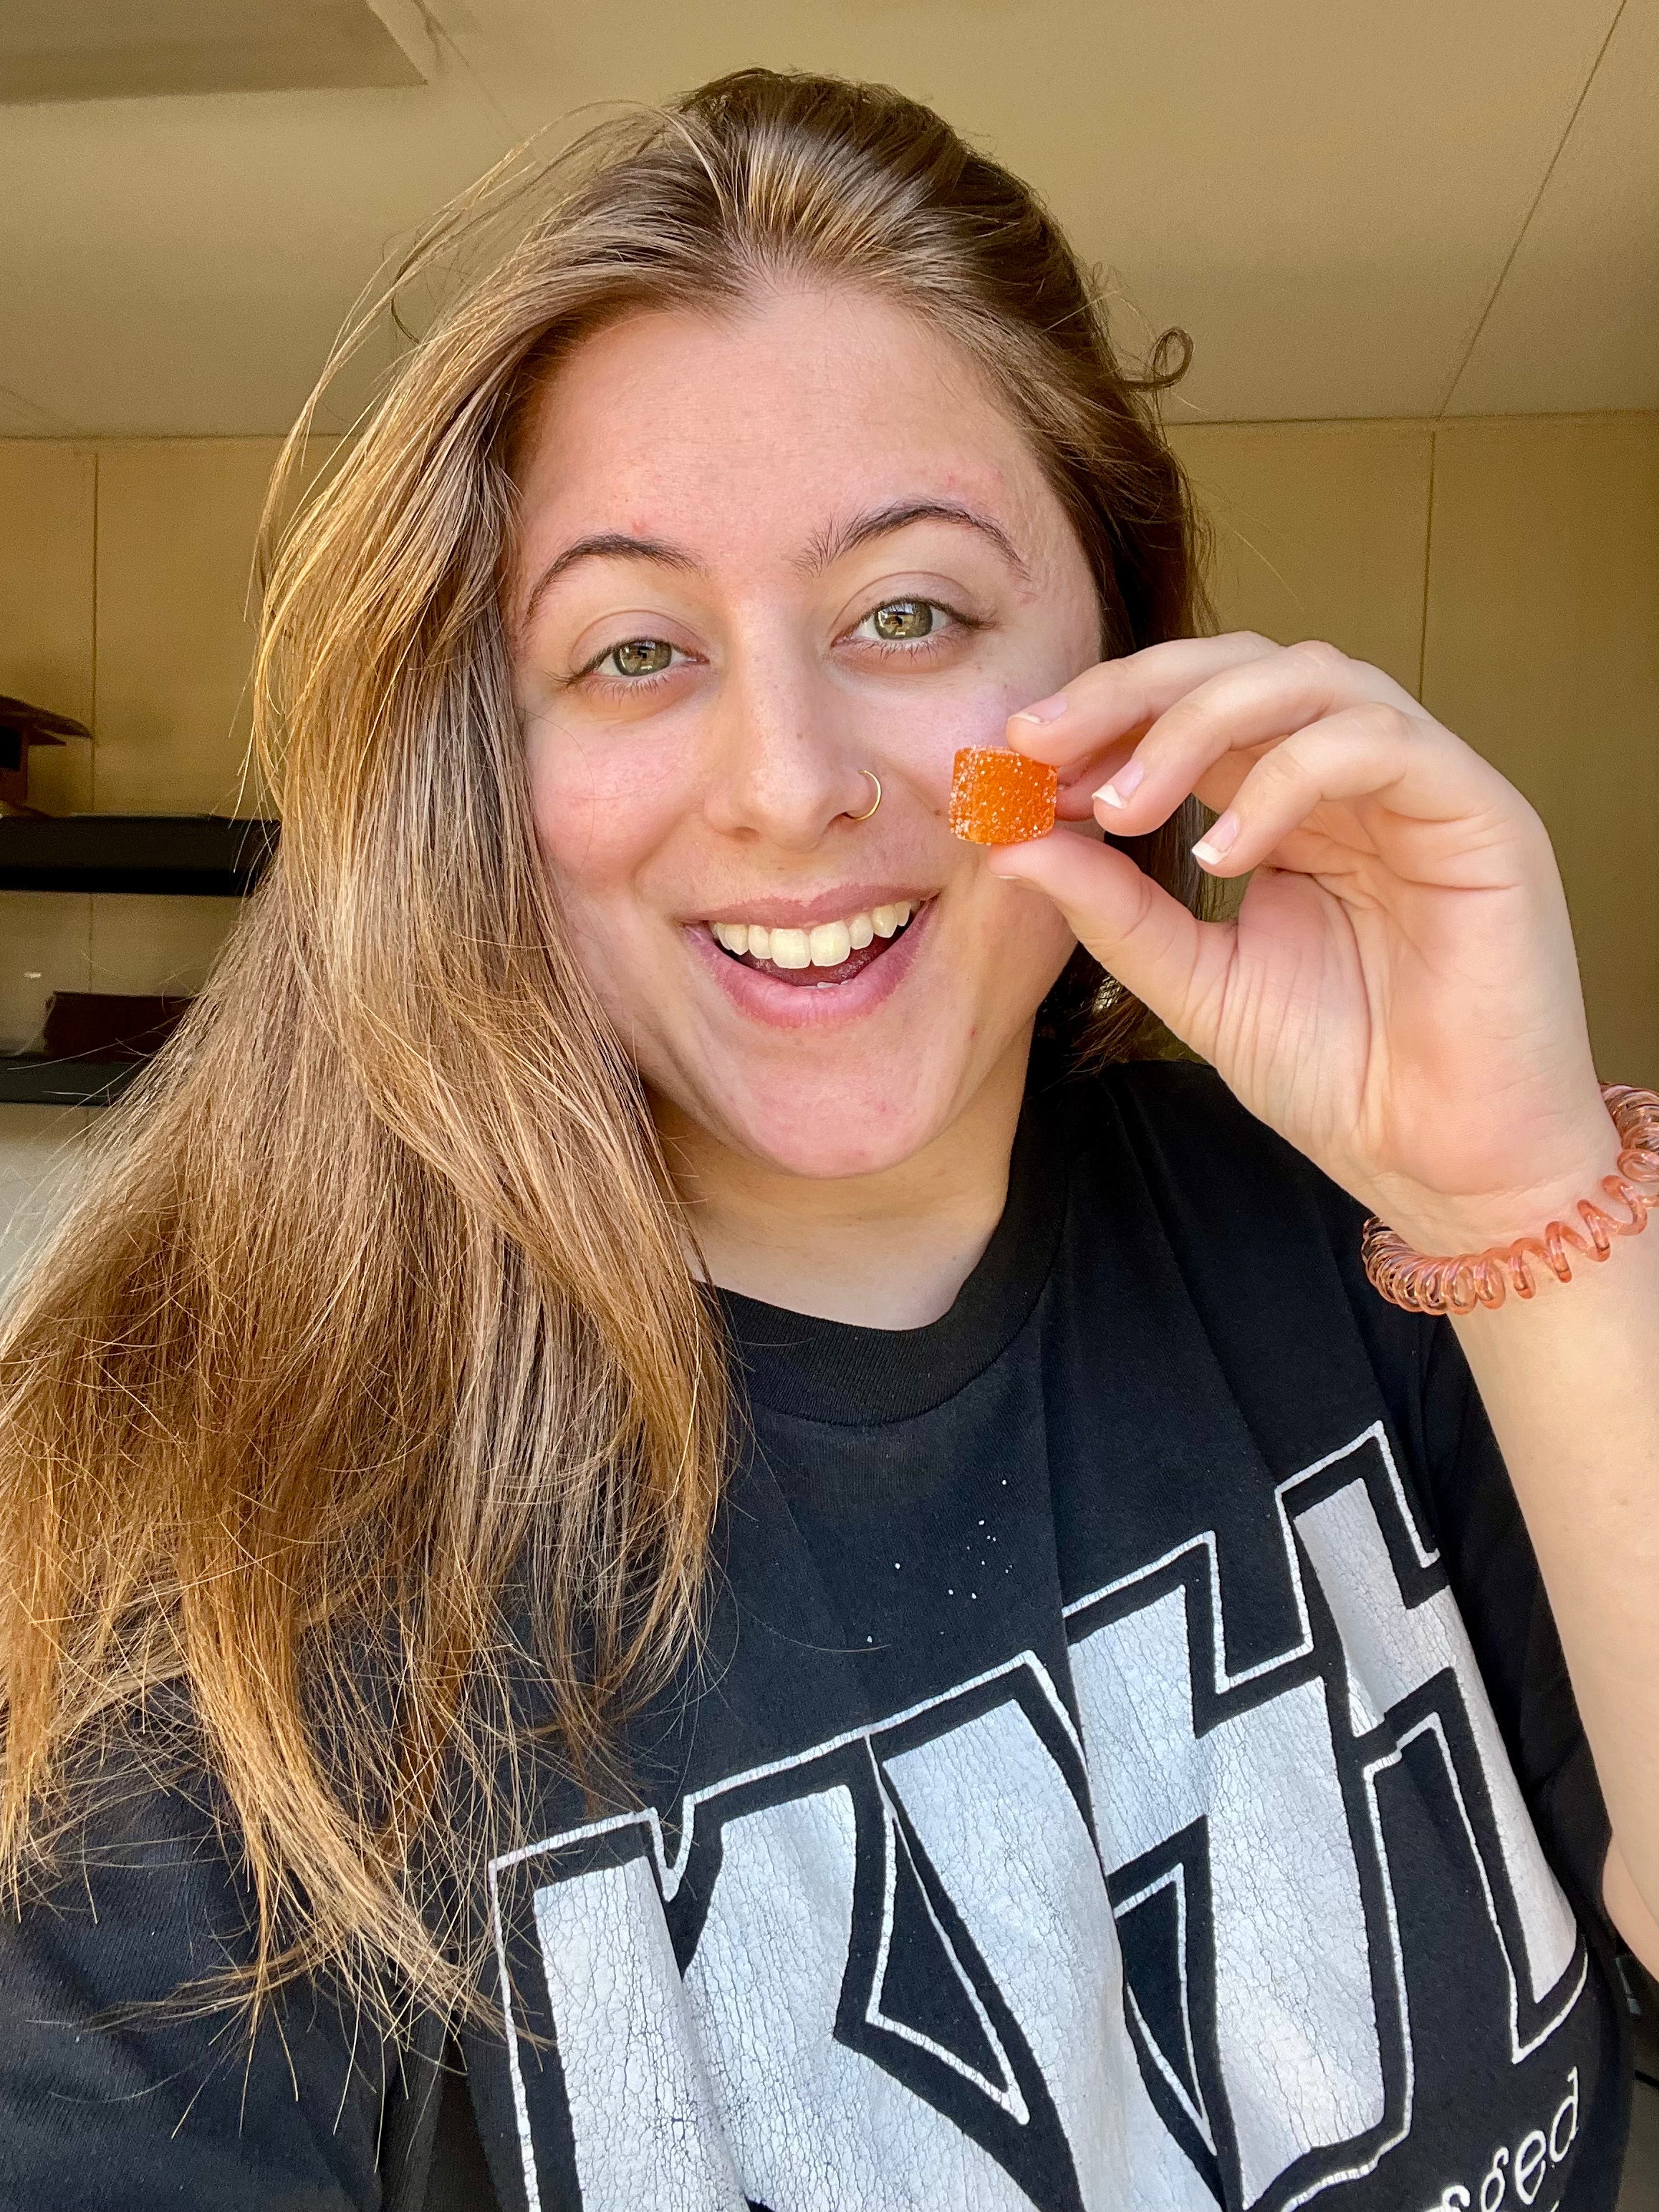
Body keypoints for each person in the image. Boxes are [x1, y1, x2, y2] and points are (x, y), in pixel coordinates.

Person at [0, 65, 1655, 2212]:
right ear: (488, 777)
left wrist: (1521, 1199)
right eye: (631, 650)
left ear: (1127, 668)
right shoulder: (199, 1559)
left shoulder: (1374, 1249)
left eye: (910, 615)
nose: (787, 783)